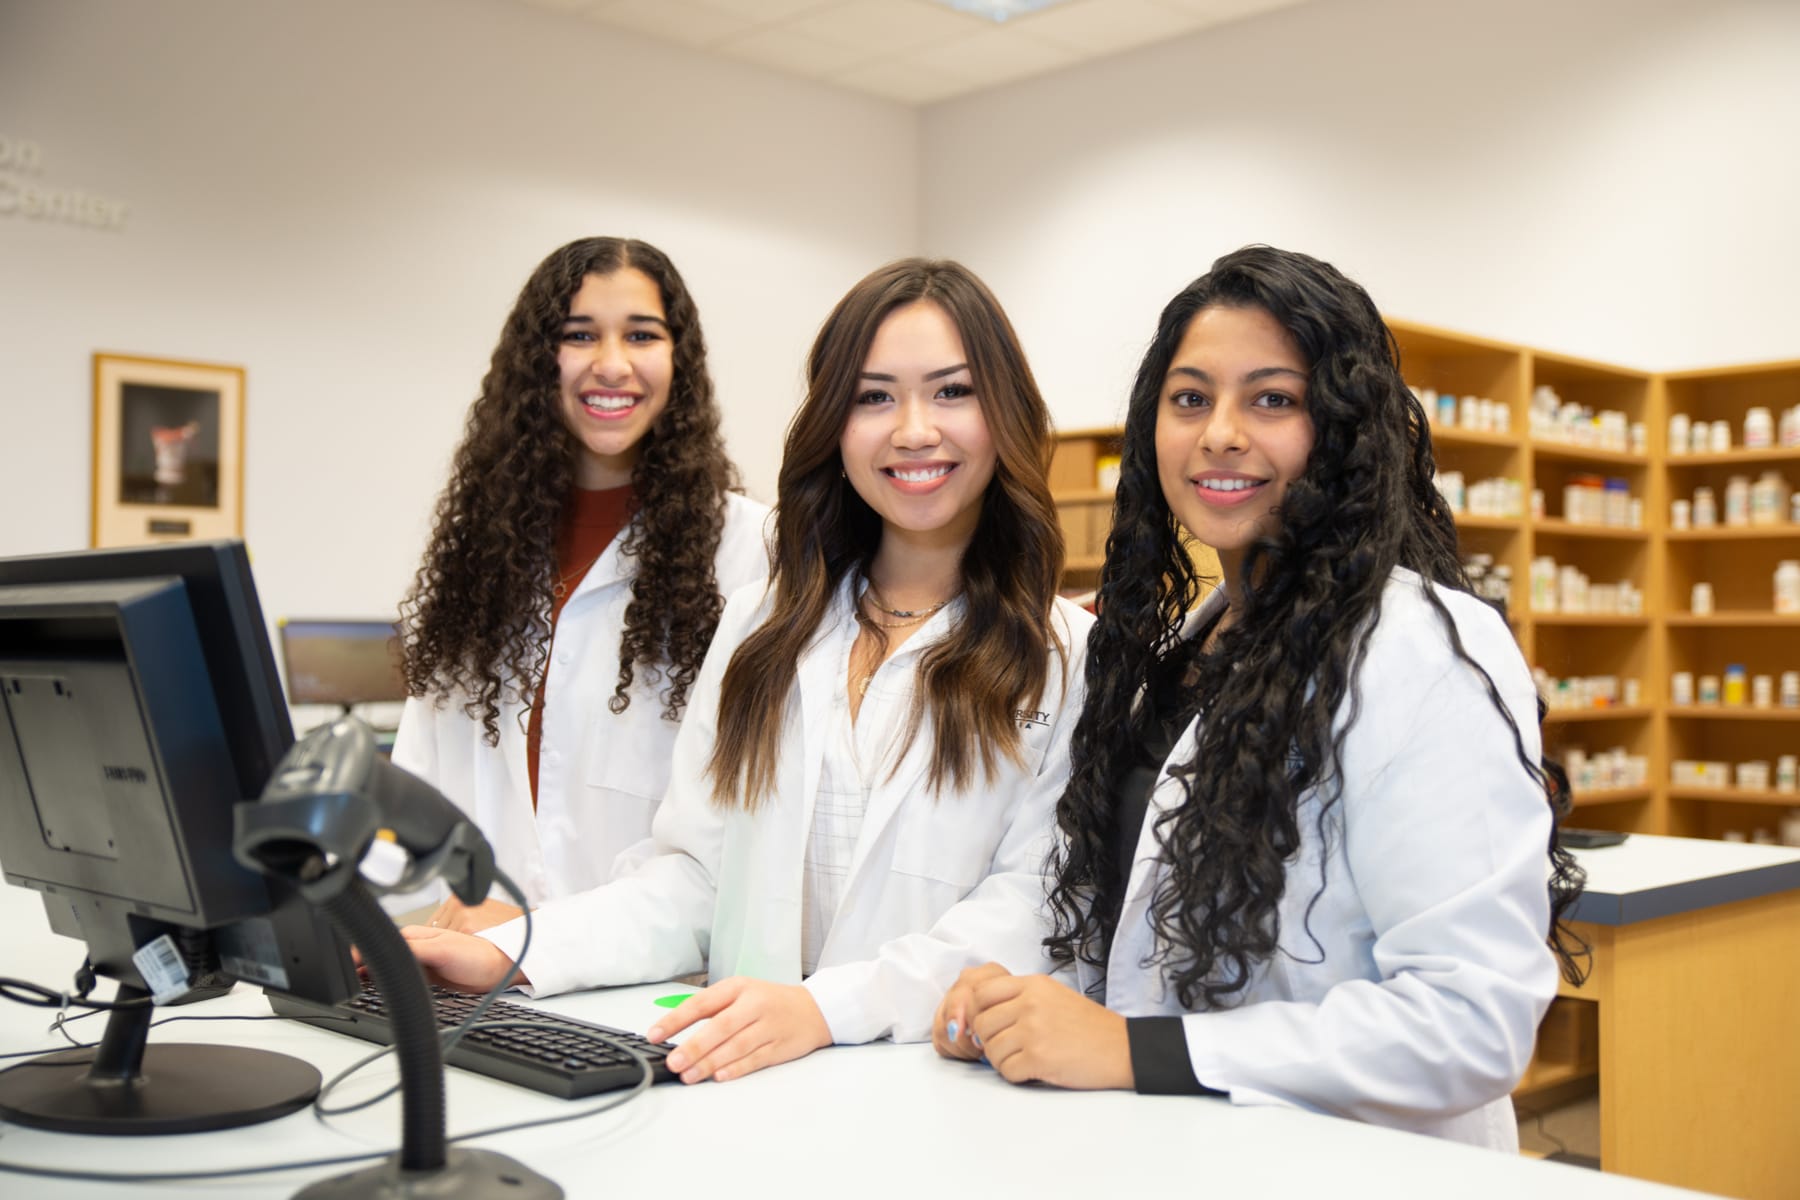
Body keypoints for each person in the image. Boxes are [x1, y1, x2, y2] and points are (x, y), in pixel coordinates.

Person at [931, 246, 1586, 1151]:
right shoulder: (1182, 650)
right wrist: (1014, 994)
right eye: (1190, 398)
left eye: (1272, 399)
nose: (1220, 434)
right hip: (1190, 1149)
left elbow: (1469, 1023)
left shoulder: (1419, 649)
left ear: (1344, 428)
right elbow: (1144, 940)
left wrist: (1138, 1051)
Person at [401, 258, 1093, 1084]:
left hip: (934, 1094)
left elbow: (1030, 911)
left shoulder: (1064, 656)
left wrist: (826, 1010)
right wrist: (515, 952)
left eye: (952, 391)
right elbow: (693, 878)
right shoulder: (764, 624)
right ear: (835, 425)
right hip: (748, 1092)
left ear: (1006, 412)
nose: (912, 429)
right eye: (873, 396)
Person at [393, 237, 769, 932]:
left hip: (648, 976)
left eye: (641, 335)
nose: (613, 365)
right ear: (539, 360)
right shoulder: (481, 554)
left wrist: (541, 934)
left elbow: (735, 826)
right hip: (477, 969)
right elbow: (420, 782)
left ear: (678, 358)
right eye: (579, 336)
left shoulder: (749, 552)